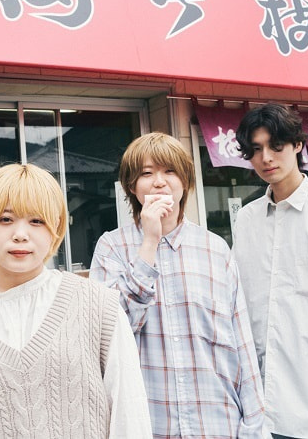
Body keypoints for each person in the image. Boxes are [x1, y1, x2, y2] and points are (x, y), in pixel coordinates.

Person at [0, 163, 152, 438]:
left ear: (55, 227)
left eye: (36, 221)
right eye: (5, 219)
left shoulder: (100, 308)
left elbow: (130, 418)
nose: (20, 234)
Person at [90, 132, 266, 438]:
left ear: (185, 182)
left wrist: (254, 426)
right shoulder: (111, 248)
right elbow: (109, 336)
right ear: (131, 186)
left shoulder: (215, 248)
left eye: (170, 171)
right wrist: (149, 243)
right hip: (148, 426)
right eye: (147, 173)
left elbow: (241, 343)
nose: (159, 182)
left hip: (217, 424)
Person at [233, 104, 308, 439]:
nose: (265, 158)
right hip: (256, 404)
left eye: (275, 146)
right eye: (255, 149)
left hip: (307, 396)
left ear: (297, 145)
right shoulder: (246, 219)